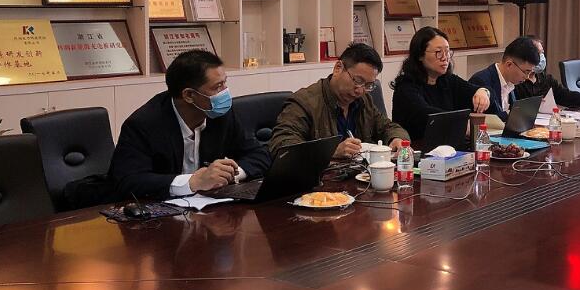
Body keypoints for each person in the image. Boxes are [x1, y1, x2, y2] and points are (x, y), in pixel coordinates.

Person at [109, 49, 269, 200]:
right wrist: (192, 182)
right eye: (217, 86)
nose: (225, 92)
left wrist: (231, 174)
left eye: (224, 83)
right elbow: (127, 181)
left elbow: (260, 155)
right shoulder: (143, 124)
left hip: (209, 208)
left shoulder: (221, 114)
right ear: (189, 95)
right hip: (160, 211)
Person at [268, 42, 408, 159]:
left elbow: (388, 127)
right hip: (320, 180)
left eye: (368, 85)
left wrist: (396, 139)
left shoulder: (364, 101)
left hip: (358, 177)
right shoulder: (304, 103)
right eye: (357, 80)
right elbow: (282, 147)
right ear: (338, 68)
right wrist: (330, 152)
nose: (360, 90)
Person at [390, 26, 492, 143]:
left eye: (447, 52)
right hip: (417, 148)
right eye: (438, 52)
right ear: (420, 55)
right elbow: (427, 115)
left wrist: (483, 92)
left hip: (448, 147)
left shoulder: (447, 80)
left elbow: (481, 92)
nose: (445, 58)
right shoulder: (406, 87)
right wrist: (461, 123)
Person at [513, 35, 580, 108]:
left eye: (542, 53)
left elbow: (565, 95)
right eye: (538, 53)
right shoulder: (516, 81)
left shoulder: (545, 78)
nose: (541, 57)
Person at [467, 36, 542, 121]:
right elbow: (477, 121)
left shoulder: (514, 81)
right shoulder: (481, 82)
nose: (527, 77)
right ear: (509, 65)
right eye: (526, 72)